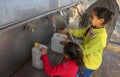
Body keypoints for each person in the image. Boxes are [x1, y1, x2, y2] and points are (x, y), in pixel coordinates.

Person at [59, 7, 114, 77]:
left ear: (101, 20)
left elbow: (84, 50)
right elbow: (82, 32)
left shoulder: (100, 37)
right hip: (83, 58)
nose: (89, 19)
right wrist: (68, 31)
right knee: (76, 72)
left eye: (92, 17)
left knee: (86, 75)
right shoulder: (92, 27)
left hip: (91, 63)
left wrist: (69, 44)